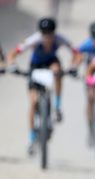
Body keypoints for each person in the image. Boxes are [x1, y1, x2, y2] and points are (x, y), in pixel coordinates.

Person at [6, 17, 78, 154]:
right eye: (44, 34)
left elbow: (76, 53)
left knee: (57, 70)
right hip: (35, 66)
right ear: (40, 33)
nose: (47, 37)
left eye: (50, 34)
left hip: (51, 63)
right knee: (33, 103)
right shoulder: (34, 39)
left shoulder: (59, 39)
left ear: (54, 33)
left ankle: (57, 106)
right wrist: (13, 65)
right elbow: (13, 53)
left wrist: (73, 65)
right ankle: (32, 137)